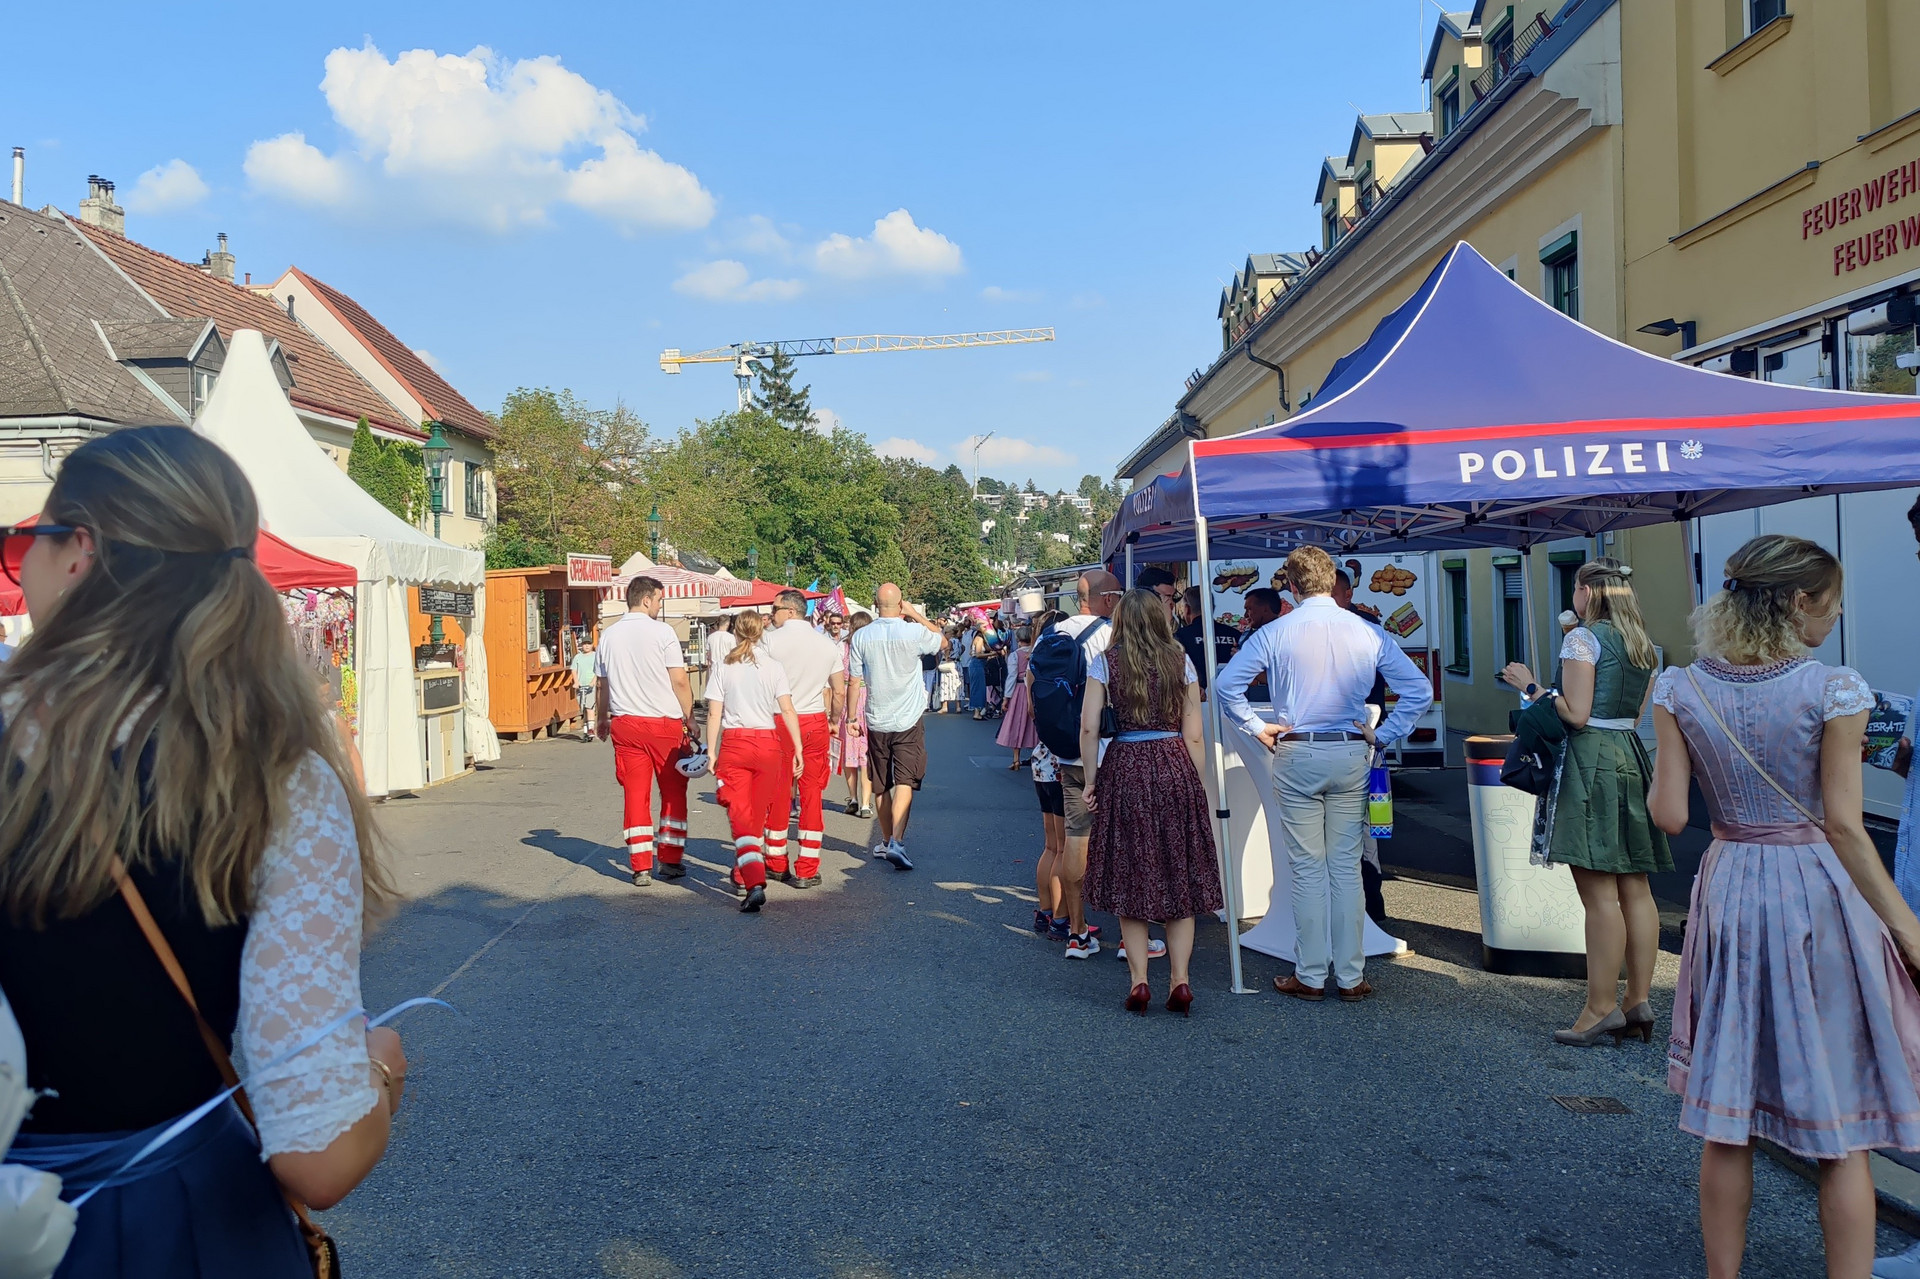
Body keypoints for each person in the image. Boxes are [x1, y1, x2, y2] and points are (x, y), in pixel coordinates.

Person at [0, 426, 406, 1274]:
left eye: (20, 540)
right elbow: (319, 1156)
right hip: (165, 1226)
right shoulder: (273, 778)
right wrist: (380, 1071)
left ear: (80, 550)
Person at [1646, 534, 1920, 1279]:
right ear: (1799, 601)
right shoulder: (1835, 689)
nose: (1832, 618)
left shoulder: (1679, 688)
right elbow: (1845, 826)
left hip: (1731, 881)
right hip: (1819, 892)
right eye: (1830, 603)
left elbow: (1669, 814)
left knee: (1726, 1117)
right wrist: (1907, 927)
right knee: (1842, 1123)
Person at [1217, 546, 1432, 1001]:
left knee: (1308, 868)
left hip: (1297, 751)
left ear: (1291, 587)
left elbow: (1225, 686)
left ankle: (1311, 973)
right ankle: (1351, 976)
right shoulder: (1366, 630)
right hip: (1352, 750)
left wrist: (1257, 728)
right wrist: (1385, 733)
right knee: (1345, 867)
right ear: (1332, 579)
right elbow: (1418, 689)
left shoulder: (1276, 631)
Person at [1498, 558, 1670, 1045]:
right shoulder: (1642, 646)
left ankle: (1599, 1008)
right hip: (1629, 756)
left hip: (1589, 759)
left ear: (1587, 591)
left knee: (1598, 894)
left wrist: (1532, 689)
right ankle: (1638, 999)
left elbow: (1575, 713)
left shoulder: (1582, 639)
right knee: (1635, 886)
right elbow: (1634, 714)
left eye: (1574, 587)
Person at [1080, 590, 1222, 1016]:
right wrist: (1200, 783)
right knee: (1179, 872)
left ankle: (1140, 980)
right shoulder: (1182, 661)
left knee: (1130, 872)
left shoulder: (1105, 662)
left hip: (1125, 766)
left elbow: (1089, 728)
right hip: (1174, 764)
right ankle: (1180, 980)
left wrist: (1091, 779)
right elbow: (1194, 733)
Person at [596, 577, 697, 887]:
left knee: (635, 795)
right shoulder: (662, 632)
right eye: (658, 600)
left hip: (625, 723)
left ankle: (640, 865)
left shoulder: (608, 636)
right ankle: (669, 859)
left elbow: (603, 683)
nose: (659, 605)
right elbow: (679, 680)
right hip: (663, 723)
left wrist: (602, 719)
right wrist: (690, 718)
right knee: (673, 792)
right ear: (646, 600)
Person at [705, 610, 803, 914]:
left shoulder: (725, 666)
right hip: (768, 744)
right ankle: (744, 872)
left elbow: (713, 712)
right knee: (756, 816)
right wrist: (798, 747)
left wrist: (711, 751)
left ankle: (753, 880)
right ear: (761, 632)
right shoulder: (773, 666)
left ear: (735, 632)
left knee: (741, 817)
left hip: (736, 742)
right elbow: (787, 710)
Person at [1049, 569, 1121, 960]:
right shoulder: (1113, 636)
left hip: (1066, 753)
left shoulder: (1054, 634)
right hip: (1110, 751)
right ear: (1107, 598)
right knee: (1126, 842)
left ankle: (1077, 932)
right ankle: (1132, 939)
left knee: (1075, 839)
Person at [847, 584, 944, 870]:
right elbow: (943, 642)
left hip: (877, 717)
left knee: (880, 785)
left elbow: (854, 681)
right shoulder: (913, 631)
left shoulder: (861, 636)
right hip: (908, 717)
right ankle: (898, 842)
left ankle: (887, 840)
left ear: (875, 604)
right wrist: (916, 614)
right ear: (900, 602)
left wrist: (852, 718)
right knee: (905, 781)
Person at [764, 589, 845, 888]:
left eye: (774, 609)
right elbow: (838, 690)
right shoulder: (826, 645)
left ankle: (775, 859)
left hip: (777, 719)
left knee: (778, 791)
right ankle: (807, 867)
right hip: (813, 719)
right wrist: (834, 719)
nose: (771, 614)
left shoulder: (769, 641)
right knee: (811, 794)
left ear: (789, 611)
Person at [1333, 569, 1392, 925]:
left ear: (1349, 593)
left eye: (1335, 592)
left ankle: (1373, 903)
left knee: (1368, 823)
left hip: (1365, 738)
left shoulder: (1368, 626)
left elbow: (1386, 681)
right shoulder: (1314, 627)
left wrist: (1379, 729)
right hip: (1336, 740)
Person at [1025, 611, 1070, 935]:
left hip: (1040, 757)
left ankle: (1044, 910)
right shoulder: (1068, 668)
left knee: (1050, 845)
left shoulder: (1034, 667)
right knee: (1066, 848)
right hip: (1062, 760)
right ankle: (1061, 916)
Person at [834, 612, 875, 818]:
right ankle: (866, 803)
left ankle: (854, 798)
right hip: (869, 700)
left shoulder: (843, 647)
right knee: (866, 756)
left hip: (850, 701)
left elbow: (837, 680)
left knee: (850, 755)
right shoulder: (873, 648)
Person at [1174, 585, 1237, 693]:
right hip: (1234, 696)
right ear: (1212, 608)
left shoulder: (1180, 636)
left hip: (1195, 698)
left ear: (1187, 609)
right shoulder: (1235, 634)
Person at [996, 624, 1039, 769]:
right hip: (1034, 690)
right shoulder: (1036, 653)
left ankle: (1016, 759)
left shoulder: (1015, 655)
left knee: (1017, 722)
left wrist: (1006, 697)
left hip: (1019, 690)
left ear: (1018, 639)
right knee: (1034, 724)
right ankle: (1036, 756)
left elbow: (1012, 677)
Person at [1237, 588, 1287, 702]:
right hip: (1247, 700)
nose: (1245, 615)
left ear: (1265, 609)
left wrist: (1242, 661)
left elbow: (1279, 677)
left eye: (1249, 609)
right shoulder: (1249, 633)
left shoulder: (1283, 636)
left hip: (1271, 702)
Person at [570, 636, 598, 740]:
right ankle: (586, 730)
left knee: (589, 707)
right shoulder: (578, 657)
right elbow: (573, 669)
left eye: (589, 644)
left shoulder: (596, 656)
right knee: (583, 708)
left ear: (592, 645)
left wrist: (593, 681)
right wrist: (576, 682)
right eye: (585, 644)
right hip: (581, 686)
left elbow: (599, 670)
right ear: (582, 645)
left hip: (591, 686)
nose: (586, 646)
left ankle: (591, 729)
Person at [936, 628, 964, 713]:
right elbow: (963, 648)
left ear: (950, 633)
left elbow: (948, 649)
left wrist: (947, 657)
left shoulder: (950, 641)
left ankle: (945, 706)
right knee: (957, 685)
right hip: (957, 664)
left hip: (949, 664)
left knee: (946, 684)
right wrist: (957, 655)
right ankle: (958, 706)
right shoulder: (958, 641)